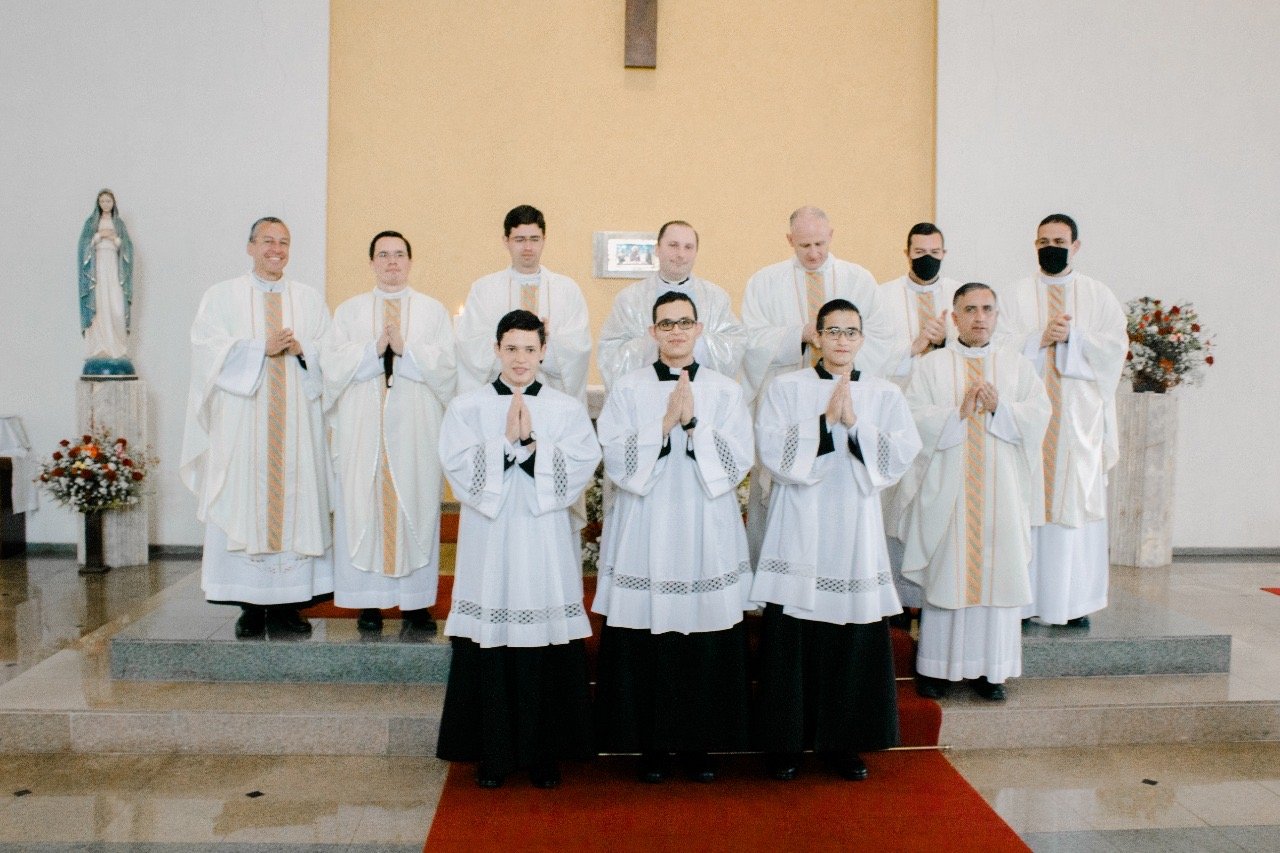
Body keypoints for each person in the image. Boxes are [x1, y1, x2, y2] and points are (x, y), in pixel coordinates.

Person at [751, 298, 921, 782]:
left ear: (861, 340)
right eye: (833, 331)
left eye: (851, 332)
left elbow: (900, 454)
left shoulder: (885, 394)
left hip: (854, 533)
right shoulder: (786, 388)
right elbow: (772, 450)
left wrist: (855, 424)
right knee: (793, 637)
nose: (842, 340)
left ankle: (842, 744)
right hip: (799, 527)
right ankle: (786, 744)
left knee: (850, 638)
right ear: (818, 337)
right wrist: (823, 423)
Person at [593, 291, 754, 783]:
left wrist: (694, 425)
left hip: (706, 524)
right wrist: (662, 427)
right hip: (647, 523)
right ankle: (652, 747)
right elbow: (615, 457)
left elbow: (739, 460)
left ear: (699, 329)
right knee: (650, 639)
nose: (676, 331)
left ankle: (698, 746)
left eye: (685, 322)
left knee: (703, 638)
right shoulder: (628, 388)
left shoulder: (726, 390)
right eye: (666, 324)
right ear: (653, 332)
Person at [436, 310, 601, 789]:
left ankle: (543, 754)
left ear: (544, 351)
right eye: (511, 348)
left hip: (544, 542)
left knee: (544, 642)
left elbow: (582, 464)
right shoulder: (466, 407)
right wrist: (504, 443)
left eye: (530, 349)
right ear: (496, 350)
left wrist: (531, 446)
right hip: (490, 545)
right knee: (492, 642)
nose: (521, 359)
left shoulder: (566, 409)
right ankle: (494, 754)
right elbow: (457, 467)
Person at [180, 217, 333, 638]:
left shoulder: (309, 300)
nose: (276, 249)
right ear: (250, 247)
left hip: (296, 427)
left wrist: (304, 349)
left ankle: (288, 606)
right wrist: (257, 349)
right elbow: (206, 349)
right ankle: (249, 604)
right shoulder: (222, 296)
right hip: (243, 425)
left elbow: (331, 352)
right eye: (267, 241)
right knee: (243, 503)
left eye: (284, 242)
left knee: (295, 506)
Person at [901, 283, 1050, 700]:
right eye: (969, 309)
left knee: (998, 576)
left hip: (1002, 492)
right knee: (949, 573)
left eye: (987, 309)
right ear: (954, 316)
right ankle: (936, 669)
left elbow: (1039, 415)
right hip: (949, 491)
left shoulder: (1017, 366)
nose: (979, 317)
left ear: (997, 316)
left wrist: (1002, 408)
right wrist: (957, 414)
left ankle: (991, 671)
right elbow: (912, 417)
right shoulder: (931, 367)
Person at [739, 206, 895, 565]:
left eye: (820, 244)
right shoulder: (765, 282)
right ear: (789, 240)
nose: (813, 253)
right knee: (784, 498)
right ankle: (780, 580)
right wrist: (799, 334)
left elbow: (882, 338)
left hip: (847, 404)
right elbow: (750, 341)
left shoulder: (859, 280)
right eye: (804, 245)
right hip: (791, 408)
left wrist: (839, 355)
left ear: (831, 236)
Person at [322, 231, 455, 638]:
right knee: (362, 506)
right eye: (383, 255)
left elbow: (448, 367)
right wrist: (373, 349)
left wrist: (406, 348)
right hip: (364, 430)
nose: (392, 262)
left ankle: (416, 604)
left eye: (399, 254)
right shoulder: (349, 311)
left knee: (417, 505)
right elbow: (331, 365)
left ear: (410, 261)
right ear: (371, 262)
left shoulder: (432, 311)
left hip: (415, 431)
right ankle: (369, 603)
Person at [998, 215, 1127, 628]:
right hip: (1030, 424)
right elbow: (997, 348)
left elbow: (1115, 349)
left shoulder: (1098, 295)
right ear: (1034, 245)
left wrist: (1075, 337)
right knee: (1026, 507)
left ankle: (1072, 603)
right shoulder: (1015, 295)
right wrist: (1038, 338)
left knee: (1073, 509)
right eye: (1043, 241)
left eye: (1059, 241)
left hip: (1077, 423)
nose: (1050, 248)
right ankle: (1023, 601)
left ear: (1076, 246)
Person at [877, 223, 962, 618]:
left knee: (937, 502)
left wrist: (946, 342)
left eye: (934, 252)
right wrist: (914, 346)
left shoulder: (960, 296)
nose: (927, 258)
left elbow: (978, 347)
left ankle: (935, 590)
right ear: (906, 252)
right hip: (897, 414)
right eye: (919, 251)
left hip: (944, 418)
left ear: (944, 253)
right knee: (896, 504)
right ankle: (895, 597)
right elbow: (870, 354)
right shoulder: (882, 297)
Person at [453, 205, 591, 402]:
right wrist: (513, 345)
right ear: (506, 241)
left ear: (544, 240)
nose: (528, 247)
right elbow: (470, 346)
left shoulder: (567, 290)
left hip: (550, 399)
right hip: (499, 398)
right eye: (519, 239)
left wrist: (547, 340)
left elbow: (579, 349)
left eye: (534, 239)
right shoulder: (484, 289)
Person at [596, 220, 746, 390]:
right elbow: (610, 354)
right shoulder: (629, 299)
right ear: (657, 249)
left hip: (701, 392)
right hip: (646, 392)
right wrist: (654, 342)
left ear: (696, 252)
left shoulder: (716, 297)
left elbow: (734, 346)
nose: (681, 254)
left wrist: (695, 342)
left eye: (688, 247)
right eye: (673, 245)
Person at [77, 188, 134, 365]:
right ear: (98, 203)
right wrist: (99, 236)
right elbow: (84, 245)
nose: (105, 204)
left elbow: (127, 248)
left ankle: (118, 346)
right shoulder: (92, 223)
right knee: (100, 303)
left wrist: (115, 239)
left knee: (116, 305)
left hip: (113, 267)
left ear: (113, 203)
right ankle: (99, 346)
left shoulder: (119, 224)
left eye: (108, 201)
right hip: (97, 269)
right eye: (102, 201)